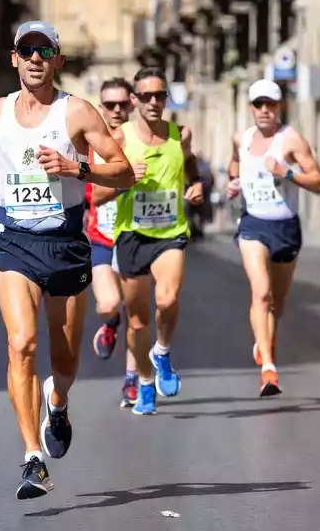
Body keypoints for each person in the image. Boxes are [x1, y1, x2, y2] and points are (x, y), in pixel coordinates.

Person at [0, 20, 134, 500]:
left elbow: (123, 172)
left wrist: (76, 167)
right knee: (21, 343)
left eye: (45, 51)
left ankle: (57, 401)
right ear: (14, 58)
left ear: (58, 60)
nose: (36, 58)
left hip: (64, 244)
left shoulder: (76, 112)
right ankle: (32, 458)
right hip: (14, 241)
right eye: (27, 50)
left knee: (64, 359)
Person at [94, 67, 203, 416]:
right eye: (146, 96)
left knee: (168, 298)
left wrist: (195, 184)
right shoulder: (119, 139)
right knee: (138, 322)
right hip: (131, 236)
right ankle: (143, 380)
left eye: (160, 95)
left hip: (170, 232)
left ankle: (163, 352)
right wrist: (124, 179)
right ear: (135, 100)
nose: (153, 102)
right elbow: (96, 195)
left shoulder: (180, 135)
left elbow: (190, 163)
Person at [226, 80, 320, 397]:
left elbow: (319, 182)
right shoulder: (241, 138)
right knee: (262, 293)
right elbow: (234, 164)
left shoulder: (291, 140)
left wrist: (287, 173)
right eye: (259, 104)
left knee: (277, 306)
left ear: (280, 106)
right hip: (252, 224)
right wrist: (233, 182)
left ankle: (265, 339)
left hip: (285, 227)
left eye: (270, 104)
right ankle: (268, 369)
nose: (264, 110)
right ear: (251, 107)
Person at [85, 77, 142, 407]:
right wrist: (125, 180)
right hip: (101, 237)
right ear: (101, 107)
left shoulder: (143, 143)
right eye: (110, 105)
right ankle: (110, 322)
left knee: (137, 315)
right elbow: (92, 195)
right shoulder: (91, 147)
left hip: (137, 238)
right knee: (109, 304)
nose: (117, 110)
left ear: (132, 104)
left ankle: (131, 379)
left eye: (123, 104)